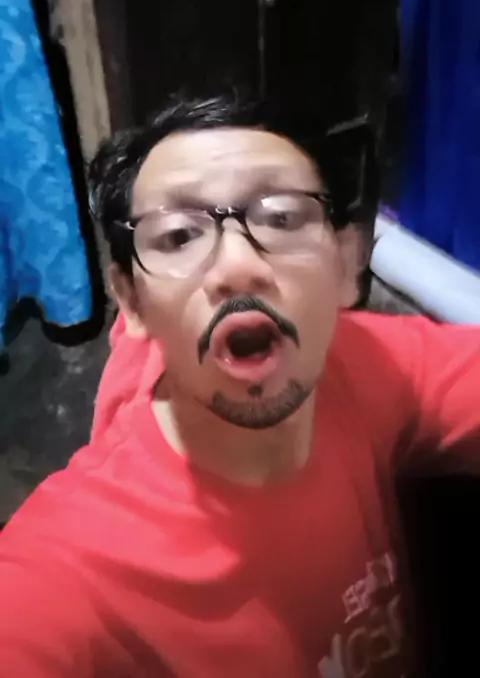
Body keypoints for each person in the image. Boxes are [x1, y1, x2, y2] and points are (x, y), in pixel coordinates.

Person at [1, 94, 479, 678]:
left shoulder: (367, 360)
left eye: (281, 218)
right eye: (179, 236)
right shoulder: (75, 563)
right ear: (131, 302)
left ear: (347, 267)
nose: (237, 266)